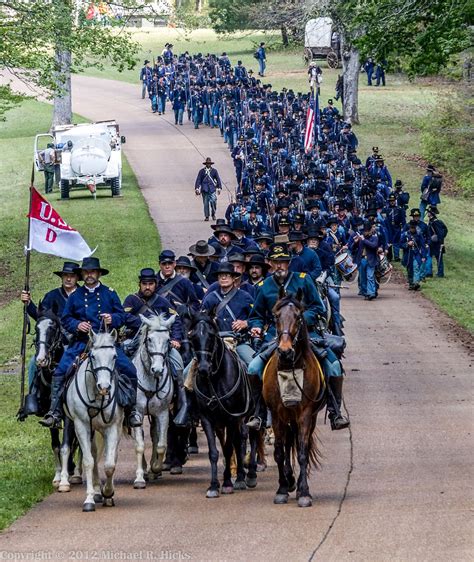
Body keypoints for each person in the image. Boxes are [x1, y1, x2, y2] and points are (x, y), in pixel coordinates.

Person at [246, 243, 349, 431]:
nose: (280, 266)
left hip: (307, 333)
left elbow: (319, 308)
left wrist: (298, 320)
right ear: (269, 264)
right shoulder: (263, 286)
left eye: (283, 262)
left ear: (289, 263)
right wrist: (256, 328)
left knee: (334, 366)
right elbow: (256, 316)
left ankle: (335, 412)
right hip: (275, 336)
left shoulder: (304, 280)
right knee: (253, 368)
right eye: (276, 262)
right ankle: (259, 413)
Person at [39, 257, 142, 429]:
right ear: (82, 275)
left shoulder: (109, 293)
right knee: (60, 371)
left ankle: (131, 411)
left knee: (129, 369)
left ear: (99, 274)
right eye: (86, 272)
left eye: (92, 272)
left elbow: (122, 316)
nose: (89, 275)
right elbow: (66, 319)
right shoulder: (76, 296)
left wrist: (112, 318)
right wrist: (77, 325)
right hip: (81, 343)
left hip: (107, 342)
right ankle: (55, 412)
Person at [122, 268, 189, 426]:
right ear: (140, 284)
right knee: (120, 362)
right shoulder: (131, 300)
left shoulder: (163, 302)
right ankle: (124, 400)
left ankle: (180, 401)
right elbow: (124, 316)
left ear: (155, 284)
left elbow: (176, 320)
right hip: (134, 340)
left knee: (178, 362)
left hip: (160, 341)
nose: (147, 287)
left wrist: (176, 338)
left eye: (151, 284)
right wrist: (147, 325)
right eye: (144, 284)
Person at [20, 261, 80, 415]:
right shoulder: (52, 296)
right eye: (65, 275)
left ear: (77, 278)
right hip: (54, 342)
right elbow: (41, 317)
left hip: (78, 341)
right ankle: (34, 397)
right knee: (35, 362)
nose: (68, 279)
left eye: (71, 276)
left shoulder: (83, 296)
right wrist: (29, 304)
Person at [201, 262, 254, 366]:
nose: (223, 278)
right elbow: (201, 321)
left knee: (254, 366)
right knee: (187, 373)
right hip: (214, 343)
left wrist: (245, 323)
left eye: (227, 275)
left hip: (238, 342)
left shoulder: (245, 297)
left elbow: (257, 318)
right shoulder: (210, 298)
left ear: (234, 277)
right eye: (221, 275)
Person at [194, 157, 222, 221]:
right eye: (207, 163)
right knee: (206, 204)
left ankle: (213, 214)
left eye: (209, 163)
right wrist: (197, 188)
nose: (208, 164)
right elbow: (198, 180)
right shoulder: (201, 171)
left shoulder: (214, 171)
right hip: (204, 189)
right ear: (205, 164)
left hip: (212, 189)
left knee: (213, 201)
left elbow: (218, 179)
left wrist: (219, 188)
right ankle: (207, 216)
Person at [400, 220, 426, 290]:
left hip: (416, 254)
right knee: (409, 270)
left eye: (414, 227)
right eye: (411, 227)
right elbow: (400, 244)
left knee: (416, 267)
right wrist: (407, 244)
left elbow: (423, 246)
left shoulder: (419, 235)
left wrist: (423, 256)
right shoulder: (405, 235)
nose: (412, 229)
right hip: (408, 255)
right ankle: (411, 284)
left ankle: (416, 283)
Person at [426, 206, 448, 278]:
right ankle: (430, 272)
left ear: (431, 213)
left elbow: (441, 233)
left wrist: (441, 243)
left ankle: (440, 273)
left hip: (437, 244)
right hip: (433, 243)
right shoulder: (432, 221)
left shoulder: (436, 222)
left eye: (429, 212)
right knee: (431, 257)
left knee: (439, 258)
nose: (427, 213)